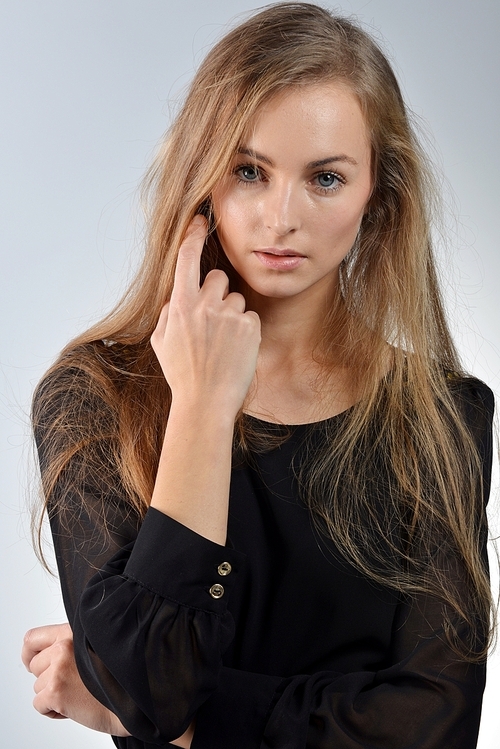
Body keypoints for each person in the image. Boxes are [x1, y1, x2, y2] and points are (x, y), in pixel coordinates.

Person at [21, 3, 495, 748]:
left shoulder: (442, 416)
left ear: (379, 193)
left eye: (326, 178)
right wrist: (205, 406)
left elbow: (434, 725)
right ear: (205, 179)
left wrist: (178, 721)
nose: (282, 217)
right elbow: (152, 682)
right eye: (249, 170)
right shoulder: (93, 398)